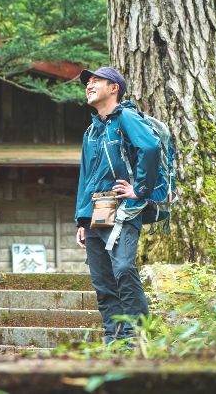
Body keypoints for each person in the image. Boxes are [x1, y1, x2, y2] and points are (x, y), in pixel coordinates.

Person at [75, 67, 159, 344]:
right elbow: (86, 175)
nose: (89, 85)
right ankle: (114, 340)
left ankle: (138, 336)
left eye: (96, 80)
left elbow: (150, 148)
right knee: (102, 280)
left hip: (122, 207)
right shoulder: (92, 130)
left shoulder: (126, 118)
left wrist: (141, 190)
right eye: (88, 82)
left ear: (114, 88)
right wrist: (81, 219)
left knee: (123, 267)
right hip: (98, 208)